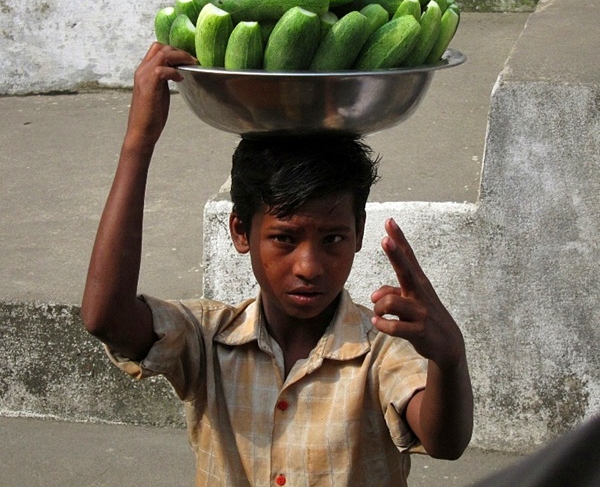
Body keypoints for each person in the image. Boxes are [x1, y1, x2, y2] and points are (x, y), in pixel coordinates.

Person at [81, 42, 473, 486]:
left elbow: (445, 441)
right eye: (284, 238)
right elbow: (104, 317)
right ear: (240, 231)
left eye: (333, 239)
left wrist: (449, 358)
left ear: (360, 232)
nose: (309, 266)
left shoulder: (381, 350)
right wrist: (139, 142)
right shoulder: (208, 341)